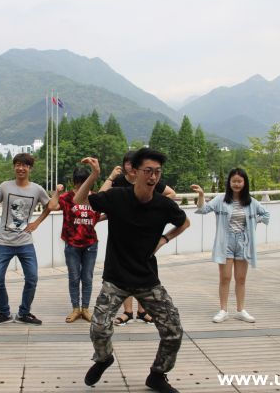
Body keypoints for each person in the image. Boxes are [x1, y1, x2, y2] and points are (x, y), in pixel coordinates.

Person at [75, 148, 190, 393]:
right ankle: (104, 358)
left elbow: (184, 223)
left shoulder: (163, 205)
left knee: (173, 331)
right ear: (135, 172)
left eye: (157, 172)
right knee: (99, 328)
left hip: (147, 279)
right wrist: (94, 174)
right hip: (116, 278)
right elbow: (79, 201)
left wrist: (164, 239)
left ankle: (157, 375)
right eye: (148, 171)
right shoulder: (117, 197)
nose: (153, 176)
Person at [101, 150, 177, 326]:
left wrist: (154, 208)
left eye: (156, 171)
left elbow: (172, 196)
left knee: (144, 277)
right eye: (127, 163)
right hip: (123, 237)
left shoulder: (151, 180)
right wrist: (110, 178)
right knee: (123, 278)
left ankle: (143, 312)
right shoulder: (119, 183)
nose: (152, 176)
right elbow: (101, 199)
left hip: (144, 241)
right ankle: (128, 312)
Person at [0, 153, 53, 326]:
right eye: (18, 164)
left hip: (26, 242)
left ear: (30, 168)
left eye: (24, 165)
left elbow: (50, 206)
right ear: (14, 167)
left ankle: (24, 313)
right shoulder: (5, 186)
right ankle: (4, 313)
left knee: (32, 278)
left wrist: (37, 223)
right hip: (4, 242)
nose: (21, 168)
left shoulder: (37, 189)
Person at [191, 168, 270, 324]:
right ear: (229, 182)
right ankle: (223, 310)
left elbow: (266, 214)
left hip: (243, 242)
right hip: (225, 241)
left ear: (245, 183)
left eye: (239, 181)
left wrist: (254, 221)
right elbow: (203, 209)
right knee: (225, 277)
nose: (236, 184)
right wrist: (201, 195)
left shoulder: (251, 202)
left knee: (241, 278)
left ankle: (241, 310)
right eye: (234, 181)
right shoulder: (221, 199)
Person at [48, 168, 104, 323]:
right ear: (74, 182)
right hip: (72, 244)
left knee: (87, 277)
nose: (81, 186)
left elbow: (98, 216)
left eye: (84, 182)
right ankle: (75, 308)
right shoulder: (67, 197)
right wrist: (57, 192)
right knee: (74, 277)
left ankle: (85, 309)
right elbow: (52, 207)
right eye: (78, 183)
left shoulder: (94, 198)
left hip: (90, 244)